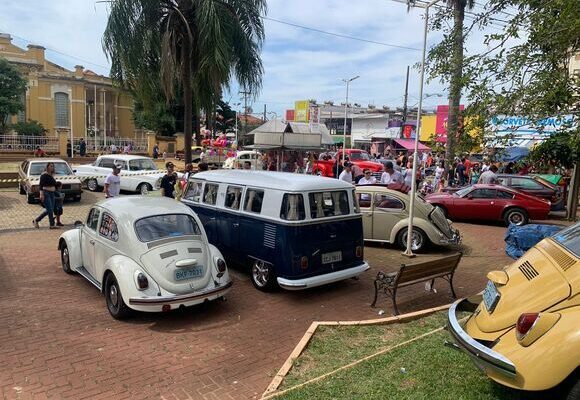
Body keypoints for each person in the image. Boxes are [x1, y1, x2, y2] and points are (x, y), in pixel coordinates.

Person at [33, 162, 59, 229]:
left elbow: (53, 184)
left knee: (50, 209)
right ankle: (37, 220)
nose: (52, 167)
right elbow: (41, 185)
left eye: (53, 166)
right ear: (47, 167)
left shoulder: (51, 175)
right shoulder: (44, 175)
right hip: (46, 193)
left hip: (52, 194)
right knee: (50, 210)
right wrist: (41, 194)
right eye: (50, 166)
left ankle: (51, 225)